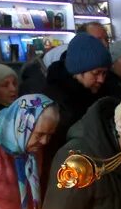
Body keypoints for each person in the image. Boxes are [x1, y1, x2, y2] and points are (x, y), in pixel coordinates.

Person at [41, 32, 111, 169]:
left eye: (104, 73)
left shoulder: (102, 92)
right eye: (96, 73)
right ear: (78, 71)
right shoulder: (55, 102)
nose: (101, 79)